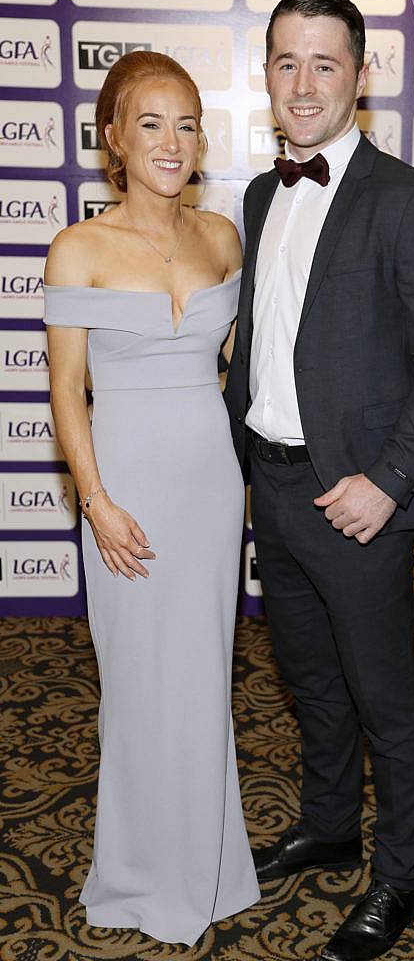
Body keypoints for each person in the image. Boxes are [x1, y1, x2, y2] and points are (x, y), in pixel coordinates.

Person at [224, 0, 414, 961]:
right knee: (311, 681)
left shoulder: (409, 198)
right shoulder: (257, 194)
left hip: (358, 500)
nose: (302, 82)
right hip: (276, 487)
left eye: (324, 63)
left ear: (361, 75)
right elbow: (270, 341)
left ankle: (400, 876)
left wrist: (385, 480)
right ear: (266, 74)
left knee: (384, 694)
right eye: (285, 61)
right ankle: (329, 821)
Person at [43, 51, 260, 946]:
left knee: (204, 677)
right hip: (123, 489)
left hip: (210, 483)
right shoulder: (78, 247)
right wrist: (95, 501)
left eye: (185, 124)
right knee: (136, 686)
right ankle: (138, 875)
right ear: (113, 140)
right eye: (150, 124)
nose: (171, 142)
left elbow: (242, 371)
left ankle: (210, 869)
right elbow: (65, 392)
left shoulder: (222, 238)